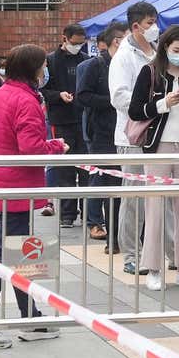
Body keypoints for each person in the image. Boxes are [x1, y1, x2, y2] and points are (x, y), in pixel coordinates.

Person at [0, 44, 67, 350]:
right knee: (6, 254)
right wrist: (57, 147)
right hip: (17, 184)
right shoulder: (25, 100)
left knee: (16, 252)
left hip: (2, 181)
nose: (46, 70)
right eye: (43, 65)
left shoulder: (1, 93)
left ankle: (30, 316)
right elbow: (31, 148)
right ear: (33, 69)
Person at [110, 2, 179, 275]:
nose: (155, 27)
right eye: (150, 22)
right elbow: (119, 97)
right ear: (136, 26)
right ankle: (131, 255)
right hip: (133, 136)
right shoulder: (124, 57)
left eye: (156, 21)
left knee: (162, 197)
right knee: (134, 198)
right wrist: (153, 105)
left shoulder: (157, 53)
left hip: (160, 136)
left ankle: (173, 253)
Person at [128, 24, 179, 290]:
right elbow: (136, 111)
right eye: (176, 50)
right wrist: (164, 103)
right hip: (158, 146)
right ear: (165, 47)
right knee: (155, 207)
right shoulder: (150, 72)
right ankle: (153, 269)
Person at [76, 23, 126, 243]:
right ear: (117, 41)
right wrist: (114, 102)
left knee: (123, 182)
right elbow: (83, 96)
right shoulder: (95, 65)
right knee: (104, 179)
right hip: (102, 133)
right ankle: (96, 222)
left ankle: (121, 232)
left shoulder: (129, 63)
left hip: (128, 132)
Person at [44, 25, 91, 228]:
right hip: (61, 119)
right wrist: (58, 95)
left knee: (86, 169)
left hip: (83, 119)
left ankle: (88, 213)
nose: (78, 46)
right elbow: (43, 89)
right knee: (65, 169)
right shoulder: (51, 61)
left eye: (81, 42)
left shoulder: (86, 60)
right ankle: (67, 213)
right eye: (75, 42)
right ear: (64, 38)